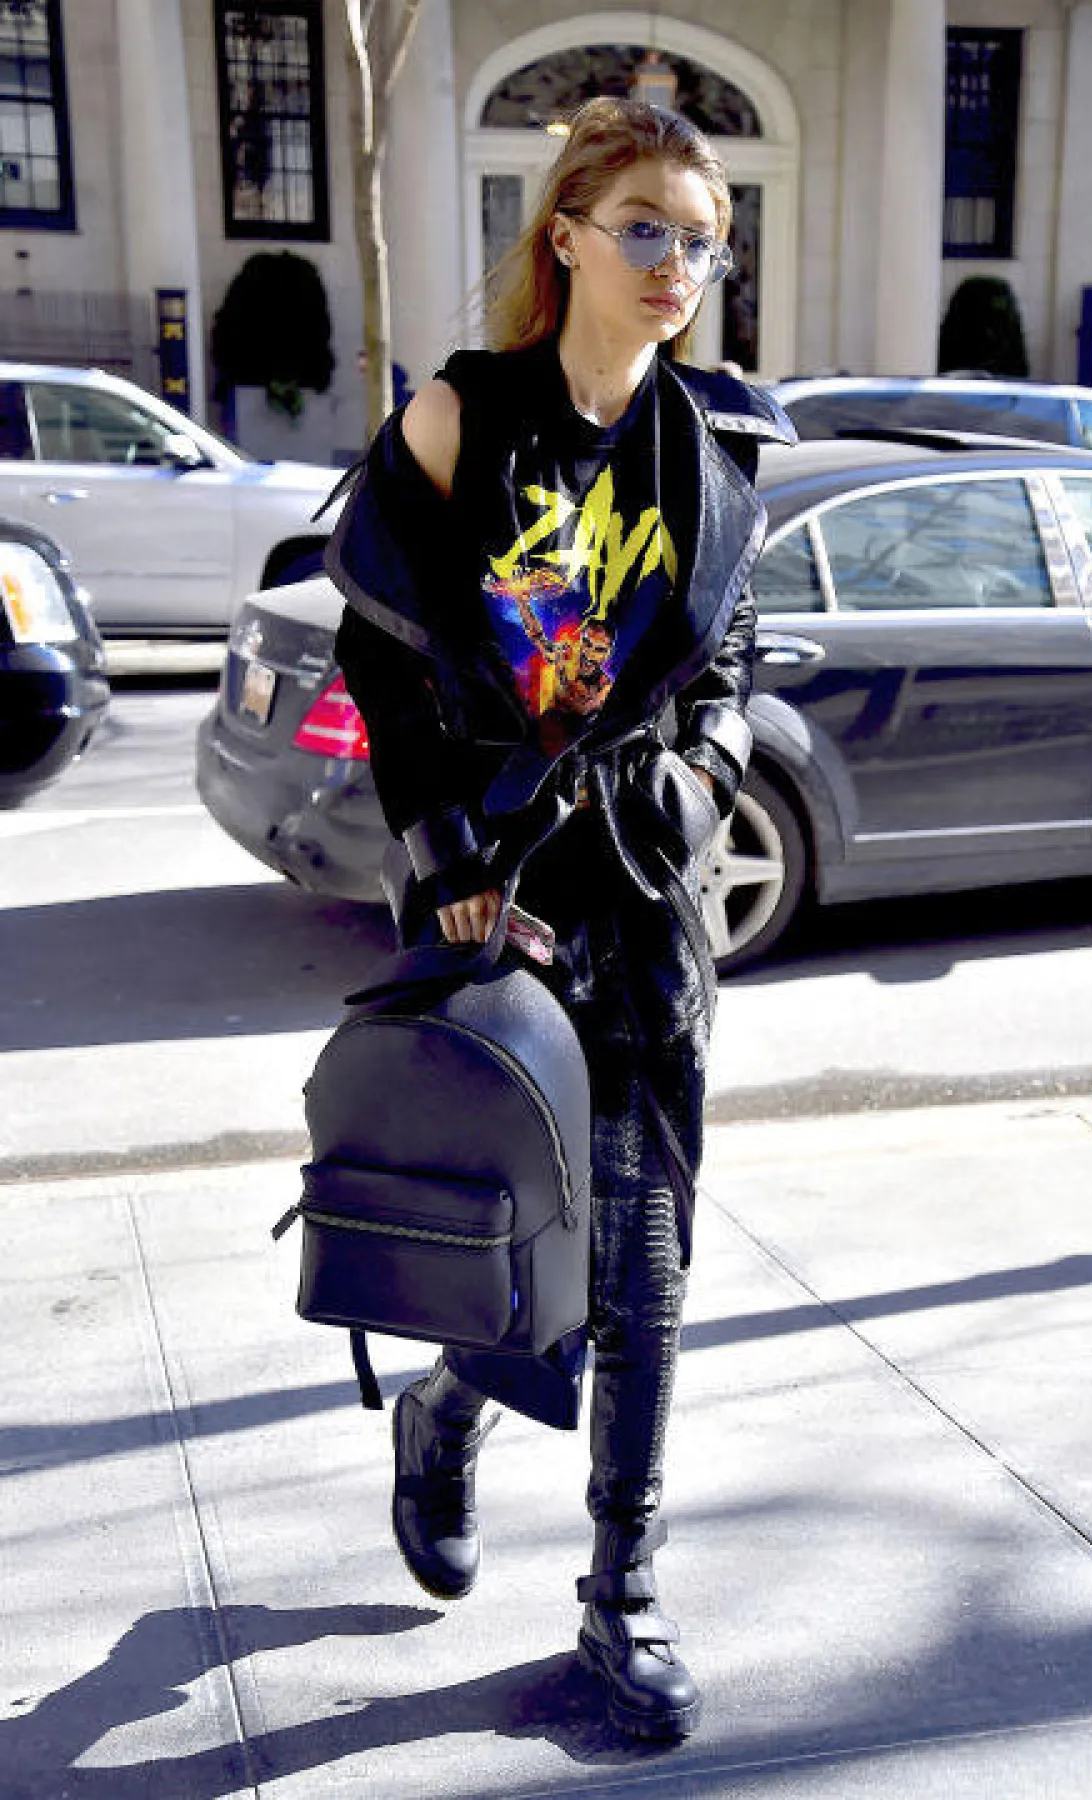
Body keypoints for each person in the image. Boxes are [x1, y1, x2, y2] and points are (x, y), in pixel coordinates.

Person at [327, 95, 796, 1744]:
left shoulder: (713, 460)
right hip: (501, 901)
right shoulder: (470, 416)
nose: (676, 264)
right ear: (571, 236)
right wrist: (445, 843)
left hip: (646, 910)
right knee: (517, 1253)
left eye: (703, 241)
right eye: (646, 228)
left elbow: (731, 675)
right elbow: (378, 644)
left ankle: (623, 1591)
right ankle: (444, 1415)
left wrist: (697, 789)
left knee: (643, 1260)